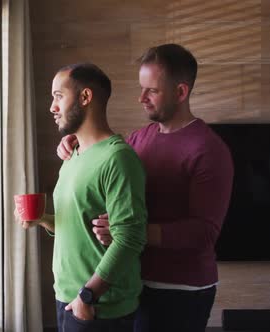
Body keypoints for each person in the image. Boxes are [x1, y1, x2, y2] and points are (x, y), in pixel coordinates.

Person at [57, 44, 234, 332]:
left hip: (181, 290)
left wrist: (131, 231)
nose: (141, 98)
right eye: (141, 89)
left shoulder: (210, 150)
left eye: (151, 90)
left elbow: (204, 232)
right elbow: (108, 161)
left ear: (180, 92)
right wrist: (76, 142)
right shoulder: (139, 138)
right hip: (134, 281)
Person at [18, 63, 147, 332]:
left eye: (58, 96)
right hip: (67, 296)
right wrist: (44, 219)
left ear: (85, 97)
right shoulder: (72, 154)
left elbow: (130, 238)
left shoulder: (118, 158)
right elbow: (78, 222)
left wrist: (87, 296)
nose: (52, 107)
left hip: (99, 306)